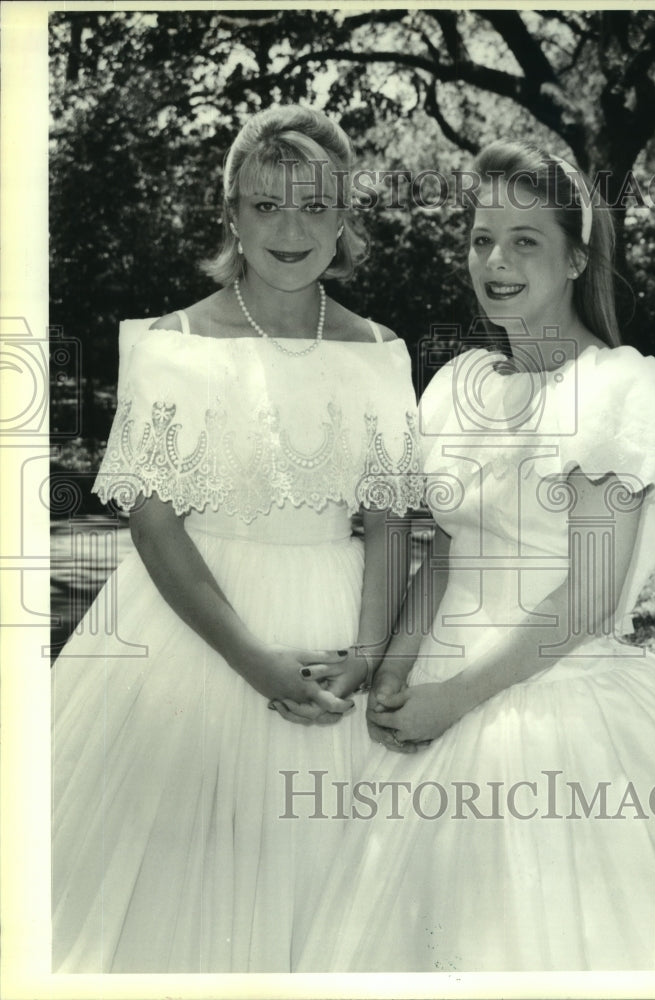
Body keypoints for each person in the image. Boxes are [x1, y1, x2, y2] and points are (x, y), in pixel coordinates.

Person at [295, 140, 655, 972]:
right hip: (436, 685)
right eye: (481, 239)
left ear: (574, 258)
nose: (496, 261)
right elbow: (445, 551)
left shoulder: (620, 390)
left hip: (549, 699)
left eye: (525, 241)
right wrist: (395, 674)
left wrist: (453, 701)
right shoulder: (456, 383)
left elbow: (588, 594)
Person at [51, 105, 422, 972]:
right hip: (192, 637)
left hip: (338, 640)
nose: (290, 229)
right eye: (265, 205)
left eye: (313, 206)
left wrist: (365, 654)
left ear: (343, 216)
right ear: (231, 213)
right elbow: (148, 515)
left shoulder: (381, 351)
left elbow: (390, 517)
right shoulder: (170, 343)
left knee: (330, 898)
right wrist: (250, 656)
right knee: (179, 891)